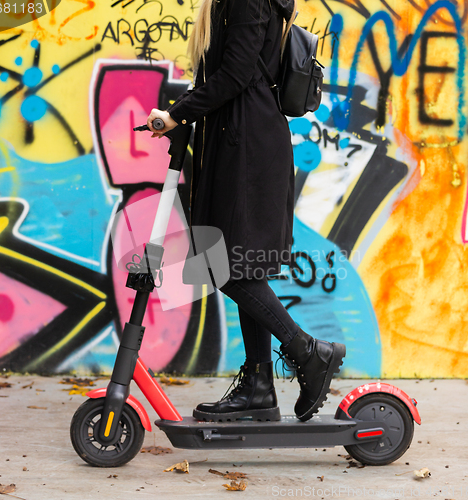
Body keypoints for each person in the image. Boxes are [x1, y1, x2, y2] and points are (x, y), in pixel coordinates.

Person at [146, 0, 345, 422]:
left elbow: (235, 75)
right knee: (243, 267)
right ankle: (258, 386)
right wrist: (182, 115)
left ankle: (308, 352)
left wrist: (177, 114)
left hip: (247, 148)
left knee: (226, 268)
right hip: (240, 140)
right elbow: (235, 70)